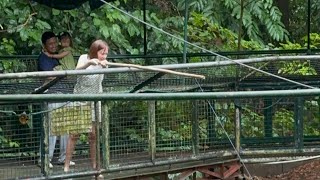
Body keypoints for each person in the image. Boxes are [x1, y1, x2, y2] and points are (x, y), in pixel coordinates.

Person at [64, 40, 109, 172]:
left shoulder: (104, 64)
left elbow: (104, 71)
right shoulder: (84, 58)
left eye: (106, 54)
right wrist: (89, 63)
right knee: (74, 134)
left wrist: (104, 65)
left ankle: (95, 166)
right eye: (102, 53)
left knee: (93, 135)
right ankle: (66, 165)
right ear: (95, 51)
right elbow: (76, 71)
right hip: (80, 99)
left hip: (95, 100)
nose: (104, 56)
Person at [38, 31, 75, 168]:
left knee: (65, 127)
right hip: (51, 95)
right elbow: (49, 76)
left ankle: (64, 158)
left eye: (55, 42)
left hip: (65, 93)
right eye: (50, 44)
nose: (53, 45)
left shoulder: (59, 55)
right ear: (44, 45)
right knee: (51, 128)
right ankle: (45, 159)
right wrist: (62, 73)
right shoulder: (43, 58)